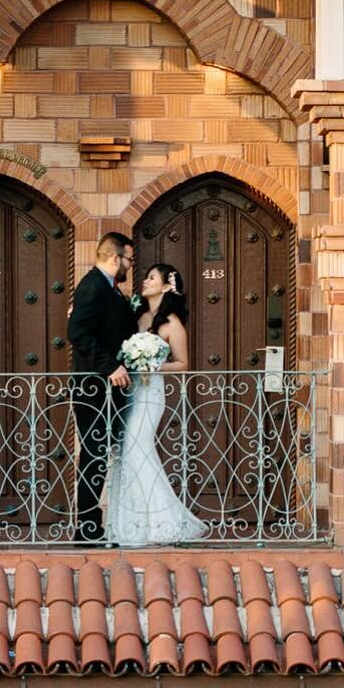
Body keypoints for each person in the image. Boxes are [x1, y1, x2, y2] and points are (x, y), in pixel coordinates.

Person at [105, 263, 209, 548]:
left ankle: (163, 523)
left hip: (150, 395)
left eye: (152, 278)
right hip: (127, 393)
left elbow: (183, 364)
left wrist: (152, 364)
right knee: (127, 454)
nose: (145, 281)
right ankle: (132, 525)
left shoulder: (172, 322)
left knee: (138, 451)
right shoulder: (136, 314)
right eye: (146, 276)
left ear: (165, 286)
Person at [67, 231, 138, 543]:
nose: (130, 266)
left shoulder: (109, 289)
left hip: (106, 391)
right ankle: (86, 528)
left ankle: (97, 524)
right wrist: (110, 366)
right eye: (129, 260)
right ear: (115, 258)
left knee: (101, 453)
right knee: (94, 454)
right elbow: (77, 332)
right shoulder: (93, 286)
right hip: (93, 389)